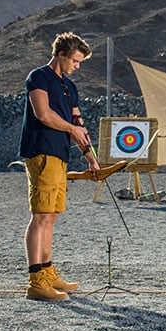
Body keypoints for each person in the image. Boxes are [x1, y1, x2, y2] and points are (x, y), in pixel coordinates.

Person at [20, 32, 99, 301]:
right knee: (41, 216)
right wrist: (72, 131)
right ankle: (36, 281)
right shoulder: (39, 77)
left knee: (51, 216)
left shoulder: (71, 87)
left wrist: (90, 157)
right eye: (75, 60)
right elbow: (43, 114)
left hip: (60, 154)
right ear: (61, 54)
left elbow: (78, 125)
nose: (77, 66)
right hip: (41, 150)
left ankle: (48, 271)